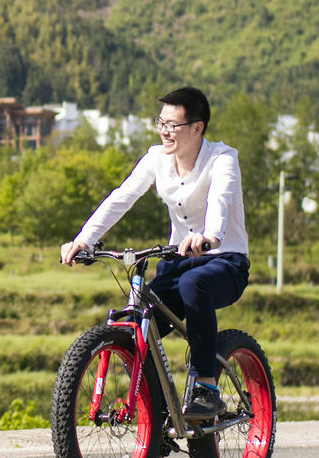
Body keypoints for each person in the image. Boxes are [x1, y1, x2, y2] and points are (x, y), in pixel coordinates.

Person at [59, 87, 250, 422]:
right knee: (137, 324)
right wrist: (83, 240)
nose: (165, 131)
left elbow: (221, 198)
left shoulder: (221, 158)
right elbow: (121, 197)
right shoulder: (155, 158)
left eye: (173, 125)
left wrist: (210, 237)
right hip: (179, 259)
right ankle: (158, 414)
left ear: (197, 128)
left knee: (195, 285)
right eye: (161, 123)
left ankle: (206, 387)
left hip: (224, 259)